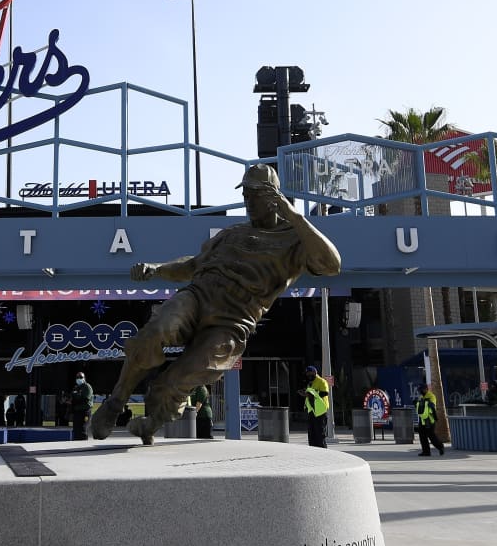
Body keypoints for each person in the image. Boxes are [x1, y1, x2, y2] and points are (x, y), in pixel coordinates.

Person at [90, 164, 341, 444]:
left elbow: (332, 264)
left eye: (253, 195)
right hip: (198, 296)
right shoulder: (231, 233)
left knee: (183, 376)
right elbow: (193, 265)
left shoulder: (294, 242)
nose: (247, 201)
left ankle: (152, 422)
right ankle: (116, 402)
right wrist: (157, 268)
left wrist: (293, 215)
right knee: (158, 329)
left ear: (273, 198)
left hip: (231, 322)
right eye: (245, 194)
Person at [303, 365, 330, 448]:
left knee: (320, 434)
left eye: (311, 373)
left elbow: (325, 392)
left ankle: (323, 452)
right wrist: (305, 406)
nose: (309, 375)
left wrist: (313, 394)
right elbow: (309, 397)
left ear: (315, 373)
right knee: (311, 434)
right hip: (312, 411)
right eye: (308, 374)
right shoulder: (310, 384)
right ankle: (313, 451)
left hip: (320, 412)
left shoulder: (322, 381)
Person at [415, 383, 446, 457]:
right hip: (422, 419)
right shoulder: (421, 396)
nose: (420, 391)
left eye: (421, 390)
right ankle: (426, 451)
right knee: (422, 436)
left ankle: (440, 447)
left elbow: (432, 406)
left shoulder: (431, 396)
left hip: (430, 420)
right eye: (420, 390)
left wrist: (425, 402)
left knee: (431, 435)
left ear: (426, 389)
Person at [70, 371, 94, 440]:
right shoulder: (76, 387)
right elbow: (73, 398)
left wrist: (76, 398)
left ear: (84, 378)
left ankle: (83, 445)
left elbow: (85, 399)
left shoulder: (87, 387)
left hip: (85, 411)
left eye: (81, 377)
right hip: (77, 412)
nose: (79, 379)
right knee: (76, 429)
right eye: (77, 377)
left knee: (83, 429)